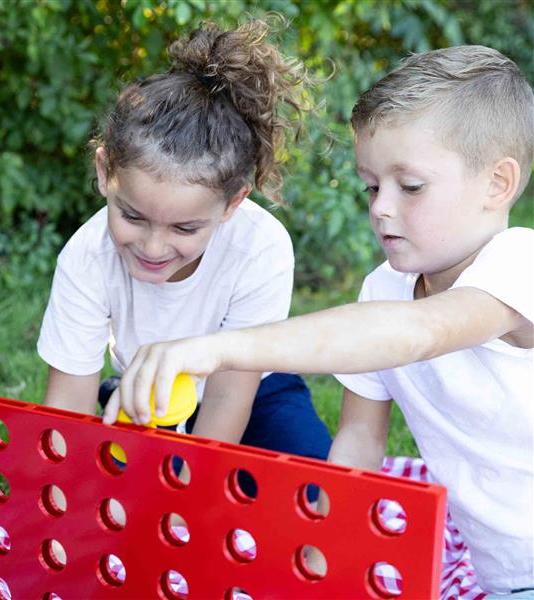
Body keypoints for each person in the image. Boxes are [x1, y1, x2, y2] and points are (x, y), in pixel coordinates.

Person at [113, 45, 534, 596]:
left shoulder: (519, 264)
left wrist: (216, 349)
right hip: (508, 577)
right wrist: (315, 563)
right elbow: (359, 443)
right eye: (371, 185)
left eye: (409, 187)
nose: (381, 207)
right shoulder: (382, 290)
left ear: (497, 184)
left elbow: (416, 333)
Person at [37, 18, 332, 492]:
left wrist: (185, 494)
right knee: (111, 487)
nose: (153, 247)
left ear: (234, 202)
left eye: (185, 227)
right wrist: (62, 497)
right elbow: (66, 407)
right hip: (146, 390)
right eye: (132, 217)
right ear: (104, 172)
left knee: (311, 489)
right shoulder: (86, 256)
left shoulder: (262, 246)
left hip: (253, 391)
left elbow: (229, 396)